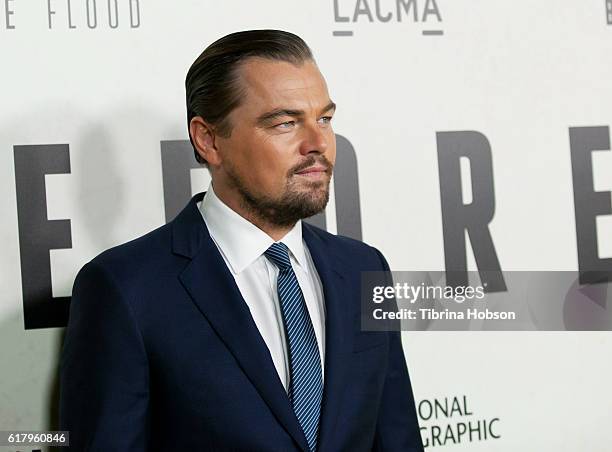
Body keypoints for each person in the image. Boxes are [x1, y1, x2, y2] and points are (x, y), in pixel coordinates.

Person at [59, 29, 423, 451]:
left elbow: (396, 438)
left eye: (324, 119)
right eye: (285, 123)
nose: (317, 144)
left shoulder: (364, 268)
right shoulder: (126, 288)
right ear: (209, 140)